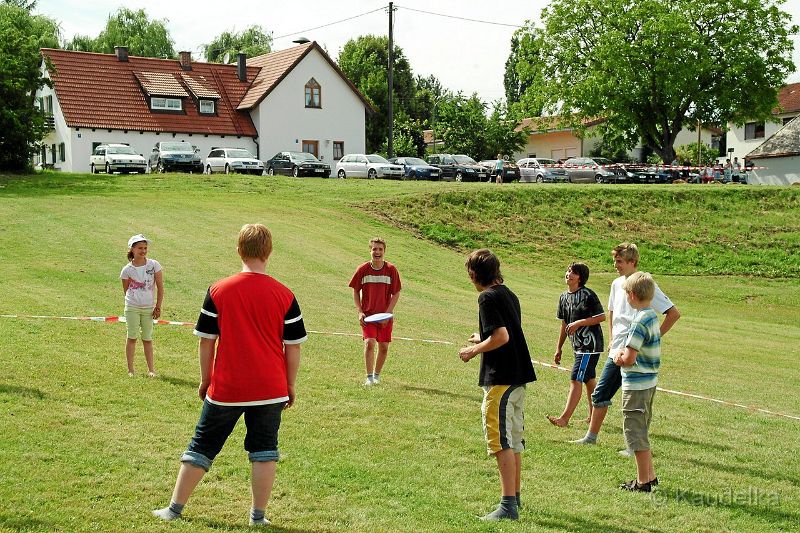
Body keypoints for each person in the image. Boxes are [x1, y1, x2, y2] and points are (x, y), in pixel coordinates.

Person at [153, 224, 307, 526]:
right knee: (265, 450)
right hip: (270, 388)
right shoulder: (285, 295)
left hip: (227, 386)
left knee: (202, 445)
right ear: (269, 252)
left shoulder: (218, 290)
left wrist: (205, 378)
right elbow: (294, 348)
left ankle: (174, 510)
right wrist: (289, 385)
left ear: (239, 250)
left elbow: (206, 340)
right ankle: (258, 518)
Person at [572, 243, 680, 455]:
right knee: (601, 393)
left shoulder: (644, 285)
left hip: (634, 355)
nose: (615, 265)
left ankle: (635, 447)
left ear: (633, 262)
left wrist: (650, 339)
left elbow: (673, 313)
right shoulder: (615, 284)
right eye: (615, 260)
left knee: (637, 403)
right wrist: (612, 338)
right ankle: (590, 437)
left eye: (620, 261)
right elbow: (612, 312)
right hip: (617, 351)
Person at [459, 249, 536, 521]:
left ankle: (507, 507)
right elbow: (507, 329)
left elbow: (501, 336)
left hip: (501, 380)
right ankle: (514, 498)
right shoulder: (508, 293)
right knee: (513, 440)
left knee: (501, 441)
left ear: (473, 274)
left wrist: (475, 350)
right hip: (517, 379)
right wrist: (482, 335)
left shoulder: (486, 297)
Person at [613, 272, 661, 492]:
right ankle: (649, 476)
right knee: (642, 428)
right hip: (649, 383)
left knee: (635, 433)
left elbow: (629, 358)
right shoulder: (652, 316)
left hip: (636, 385)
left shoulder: (638, 321)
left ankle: (642, 482)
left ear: (632, 295)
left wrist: (618, 357)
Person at [547, 262, 605, 428]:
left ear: (580, 278)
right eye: (568, 271)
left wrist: (580, 323)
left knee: (576, 378)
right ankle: (594, 416)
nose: (568, 274)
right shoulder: (563, 297)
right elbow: (564, 323)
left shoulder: (588, 295)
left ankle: (564, 419)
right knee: (588, 379)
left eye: (573, 272)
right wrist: (559, 348)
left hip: (590, 345)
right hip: (577, 346)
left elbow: (601, 317)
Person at [349, 237, 401, 385]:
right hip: (368, 316)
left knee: (383, 347)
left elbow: (396, 293)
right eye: (374, 249)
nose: (377, 252)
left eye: (380, 249)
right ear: (370, 250)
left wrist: (388, 314)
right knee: (370, 343)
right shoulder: (362, 269)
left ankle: (377, 375)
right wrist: (359, 311)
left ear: (384, 251)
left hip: (385, 317)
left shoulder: (391, 270)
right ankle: (369, 377)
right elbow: (355, 291)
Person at [120, 233, 163, 377]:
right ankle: (131, 370)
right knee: (132, 337)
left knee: (147, 338)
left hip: (148, 308)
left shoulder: (154, 265)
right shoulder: (127, 270)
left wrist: (157, 306)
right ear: (132, 249)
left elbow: (160, 287)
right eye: (140, 248)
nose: (143, 251)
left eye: (145, 248)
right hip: (132, 307)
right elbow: (126, 291)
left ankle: (151, 369)